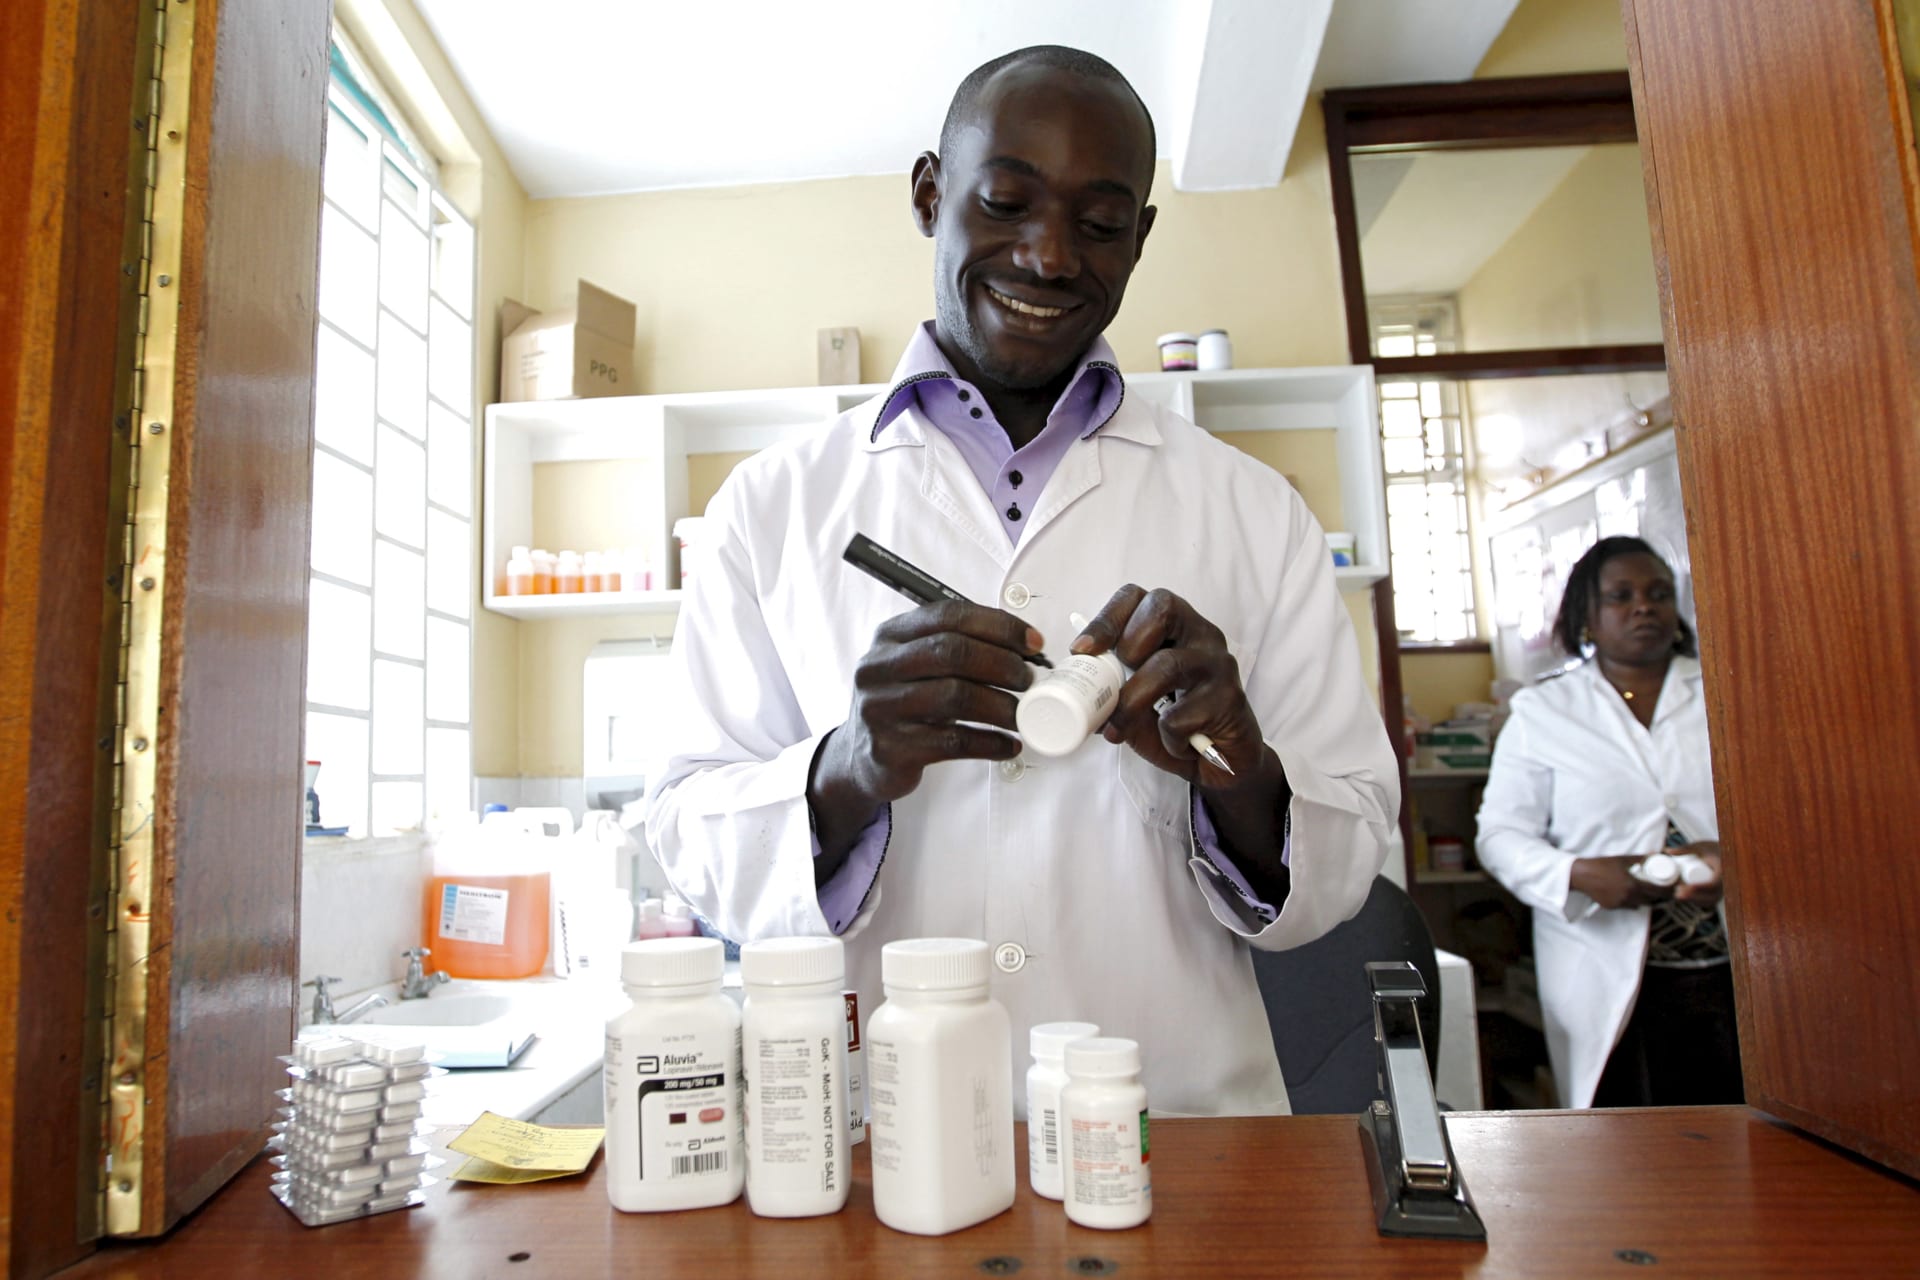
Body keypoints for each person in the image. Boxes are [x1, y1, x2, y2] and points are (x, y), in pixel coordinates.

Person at [643, 45, 1396, 1115]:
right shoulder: (770, 508)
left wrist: (1235, 766)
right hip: (879, 1135)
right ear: (929, 194)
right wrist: (849, 768)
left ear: (1139, 238)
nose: (1048, 257)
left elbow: (1350, 853)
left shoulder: (1255, 511)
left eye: (1100, 222)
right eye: (1005, 203)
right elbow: (688, 834)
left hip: (1175, 1129)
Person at [1476, 536, 1740, 1109]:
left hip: (1733, 966)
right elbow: (1500, 836)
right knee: (1626, 1133)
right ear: (1587, 618)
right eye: (1621, 596)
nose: (1644, 607)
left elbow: (1787, 812)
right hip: (1604, 965)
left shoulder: (1728, 691)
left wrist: (1736, 861)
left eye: (1659, 594)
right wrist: (1578, 873)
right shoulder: (1544, 711)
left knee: (1748, 1124)